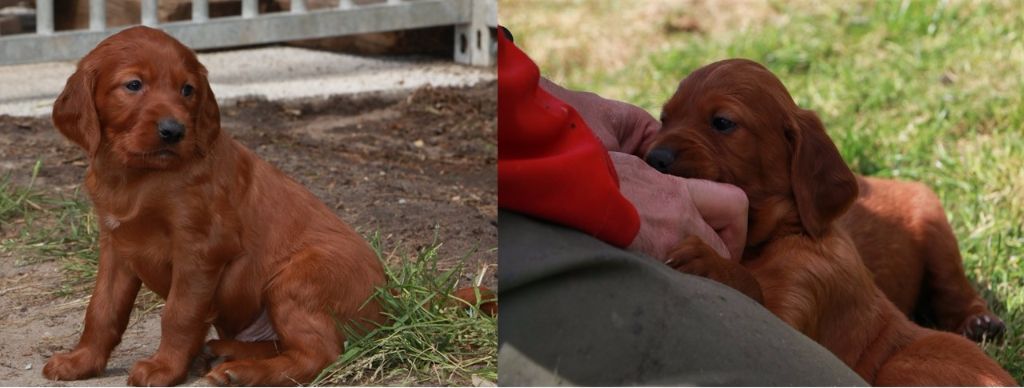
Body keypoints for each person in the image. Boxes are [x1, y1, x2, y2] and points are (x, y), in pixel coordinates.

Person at [497, 27, 867, 386]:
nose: (660, 150)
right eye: (667, 120)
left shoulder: (809, 259)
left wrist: (541, 105)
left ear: (794, 148)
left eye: (721, 124)